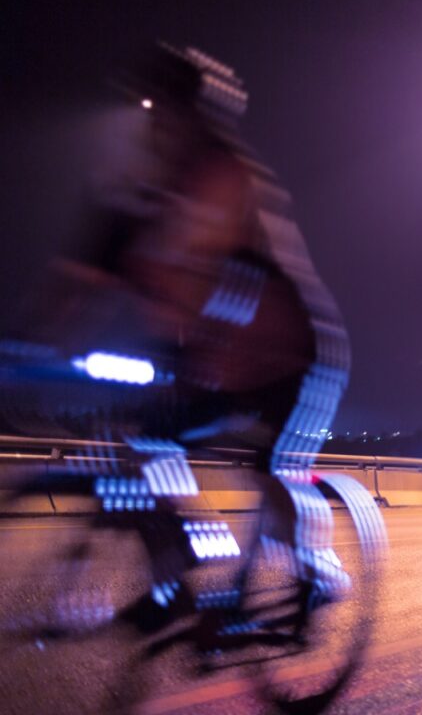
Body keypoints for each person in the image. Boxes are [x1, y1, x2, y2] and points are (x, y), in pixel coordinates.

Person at [28, 43, 351, 627]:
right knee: (141, 441)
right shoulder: (138, 196)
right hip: (212, 358)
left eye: (175, 115)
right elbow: (81, 281)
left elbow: (242, 276)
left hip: (288, 355)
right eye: (158, 115)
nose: (163, 127)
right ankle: (176, 575)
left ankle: (311, 572)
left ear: (196, 119)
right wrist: (29, 345)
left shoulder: (225, 176)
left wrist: (205, 343)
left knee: (266, 466)